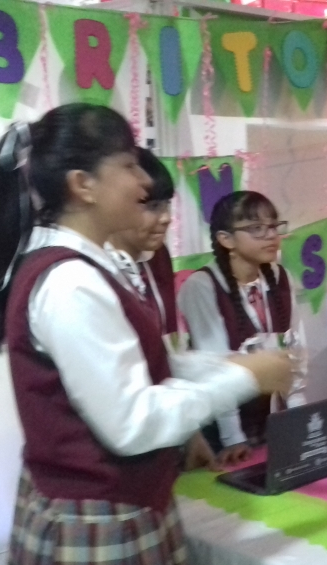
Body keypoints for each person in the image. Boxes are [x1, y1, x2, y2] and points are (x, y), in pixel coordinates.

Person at [0, 104, 293, 565]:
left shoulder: (88, 264)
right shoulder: (71, 283)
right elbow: (132, 424)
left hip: (117, 504)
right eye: (129, 165)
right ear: (83, 185)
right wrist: (242, 378)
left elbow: (140, 364)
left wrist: (232, 366)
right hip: (98, 516)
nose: (144, 182)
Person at [105, 147, 220, 472]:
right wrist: (244, 376)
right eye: (152, 206)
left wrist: (190, 433)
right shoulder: (91, 272)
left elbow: (167, 348)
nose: (167, 217)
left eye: (167, 204)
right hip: (117, 447)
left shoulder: (156, 257)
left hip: (164, 427)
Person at [178, 191, 306, 465]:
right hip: (221, 436)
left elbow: (294, 356)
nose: (271, 236)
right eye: (256, 228)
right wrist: (232, 438)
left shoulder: (281, 277)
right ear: (226, 239)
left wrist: (299, 420)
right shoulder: (202, 286)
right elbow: (218, 369)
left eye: (273, 226)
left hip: (269, 427)